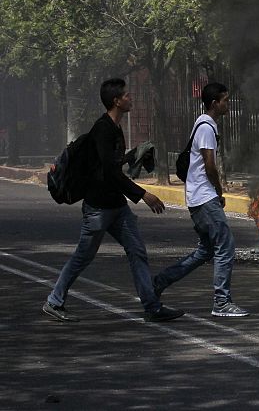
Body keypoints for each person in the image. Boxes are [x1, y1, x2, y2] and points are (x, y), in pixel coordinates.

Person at [43, 78, 184, 323]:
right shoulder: (103, 129)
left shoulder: (116, 128)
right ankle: (54, 301)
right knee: (83, 256)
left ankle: (151, 306)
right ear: (116, 101)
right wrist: (144, 195)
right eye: (127, 95)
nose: (131, 98)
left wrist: (134, 155)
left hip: (116, 206)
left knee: (137, 251)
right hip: (98, 208)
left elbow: (110, 164)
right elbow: (109, 172)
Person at [152, 83, 249, 317]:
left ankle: (159, 282)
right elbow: (209, 165)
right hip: (205, 198)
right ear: (214, 103)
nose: (227, 104)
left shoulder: (202, 123)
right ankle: (222, 302)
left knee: (205, 251)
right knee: (225, 247)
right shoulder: (206, 127)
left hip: (197, 198)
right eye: (225, 100)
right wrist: (219, 191)